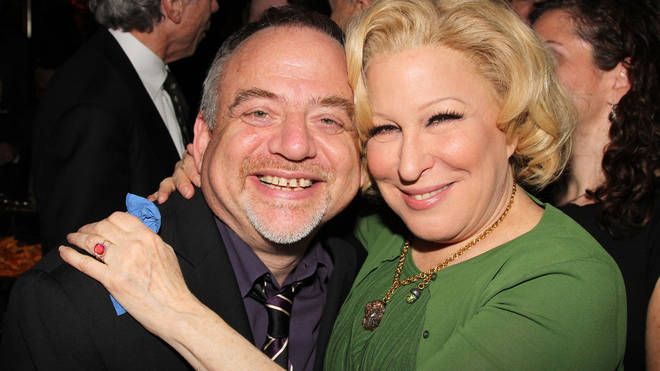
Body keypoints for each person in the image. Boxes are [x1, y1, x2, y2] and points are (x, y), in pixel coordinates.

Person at [52, 0, 625, 369]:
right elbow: (293, 190)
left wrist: (177, 310)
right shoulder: (379, 234)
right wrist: (204, 169)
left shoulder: (566, 281)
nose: (408, 163)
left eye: (443, 118)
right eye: (383, 128)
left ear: (514, 126)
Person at [1, 7, 364, 370]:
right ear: (203, 140)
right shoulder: (73, 306)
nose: (296, 145)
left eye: (329, 119)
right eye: (259, 113)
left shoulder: (366, 278)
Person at [531, 0, 660, 369]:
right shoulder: (520, 205)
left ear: (620, 77)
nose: (529, 76)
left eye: (548, 58)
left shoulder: (653, 223)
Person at [32, 0, 218, 253]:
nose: (215, 6)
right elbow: (81, 251)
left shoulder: (141, 77)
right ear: (174, 5)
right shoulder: (95, 103)